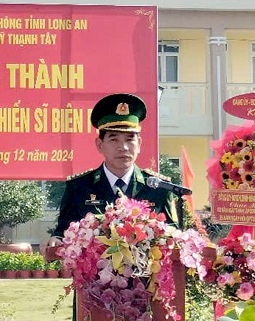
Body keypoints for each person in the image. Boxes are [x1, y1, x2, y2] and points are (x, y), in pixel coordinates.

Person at [45, 92, 179, 251]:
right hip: (94, 274)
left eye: (130, 139)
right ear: (100, 144)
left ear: (139, 144)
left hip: (146, 274)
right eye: (114, 139)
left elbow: (173, 234)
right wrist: (56, 239)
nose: (123, 147)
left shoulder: (159, 188)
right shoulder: (79, 187)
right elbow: (64, 231)